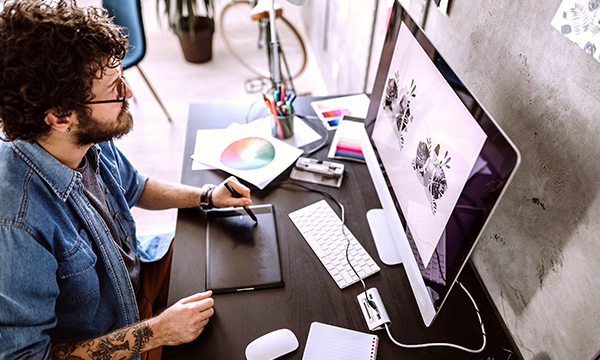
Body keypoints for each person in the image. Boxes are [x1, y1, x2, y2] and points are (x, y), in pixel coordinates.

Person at [0, 1, 253, 359]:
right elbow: (27, 357)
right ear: (59, 117)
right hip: (116, 336)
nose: (129, 93)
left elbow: (135, 186)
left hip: (134, 280)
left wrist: (208, 196)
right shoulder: (16, 225)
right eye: (115, 88)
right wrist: (156, 332)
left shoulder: (82, 140)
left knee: (245, 272)